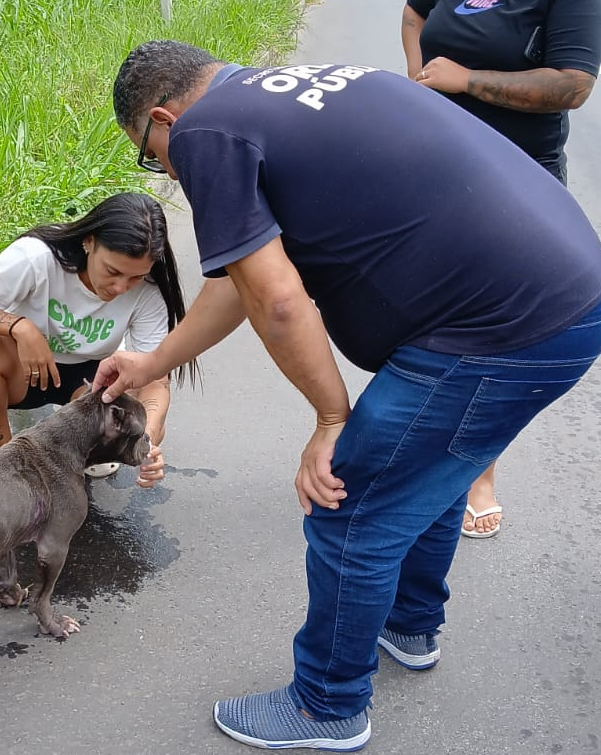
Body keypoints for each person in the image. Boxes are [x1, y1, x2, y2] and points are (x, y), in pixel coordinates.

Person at [92, 40, 601, 751]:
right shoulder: (296, 90)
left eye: (151, 154)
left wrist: (332, 418)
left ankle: (327, 704)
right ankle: (410, 621)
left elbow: (278, 303)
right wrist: (151, 361)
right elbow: (237, 282)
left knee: (348, 502)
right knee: (432, 466)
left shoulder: (207, 133)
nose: (165, 169)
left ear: (163, 117)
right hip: (567, 294)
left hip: (502, 328)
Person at [401, 0, 601, 537]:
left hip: (518, 180)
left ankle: (475, 471)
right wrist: (419, 81)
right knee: (421, 320)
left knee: (493, 332)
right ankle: (404, 452)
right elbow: (414, 14)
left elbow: (573, 86)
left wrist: (464, 80)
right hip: (438, 165)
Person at [0, 191, 196, 486]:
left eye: (135, 277)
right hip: (24, 368)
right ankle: (7, 459)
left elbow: (155, 381)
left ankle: (82, 450)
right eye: (112, 271)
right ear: (89, 242)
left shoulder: (150, 293)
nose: (120, 287)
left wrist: (148, 441)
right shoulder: (36, 257)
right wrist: (20, 328)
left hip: (94, 379)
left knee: (136, 393)